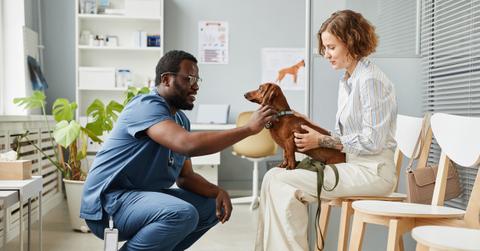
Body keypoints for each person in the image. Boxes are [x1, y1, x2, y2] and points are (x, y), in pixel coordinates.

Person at [80, 50, 276, 251]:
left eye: (197, 79)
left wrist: (217, 191)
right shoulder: (145, 106)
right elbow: (186, 143)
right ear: (166, 79)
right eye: (189, 78)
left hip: (141, 200)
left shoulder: (181, 120)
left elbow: (186, 177)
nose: (196, 86)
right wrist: (248, 128)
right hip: (109, 205)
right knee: (181, 213)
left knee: (210, 206)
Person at [255, 10, 398, 251]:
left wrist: (320, 139)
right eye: (324, 48)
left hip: (372, 172)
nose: (326, 54)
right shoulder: (349, 80)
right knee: (272, 177)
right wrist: (308, 123)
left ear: (351, 41)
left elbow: (372, 142)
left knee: (282, 183)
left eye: (331, 47)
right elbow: (345, 136)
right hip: (352, 164)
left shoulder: (370, 81)